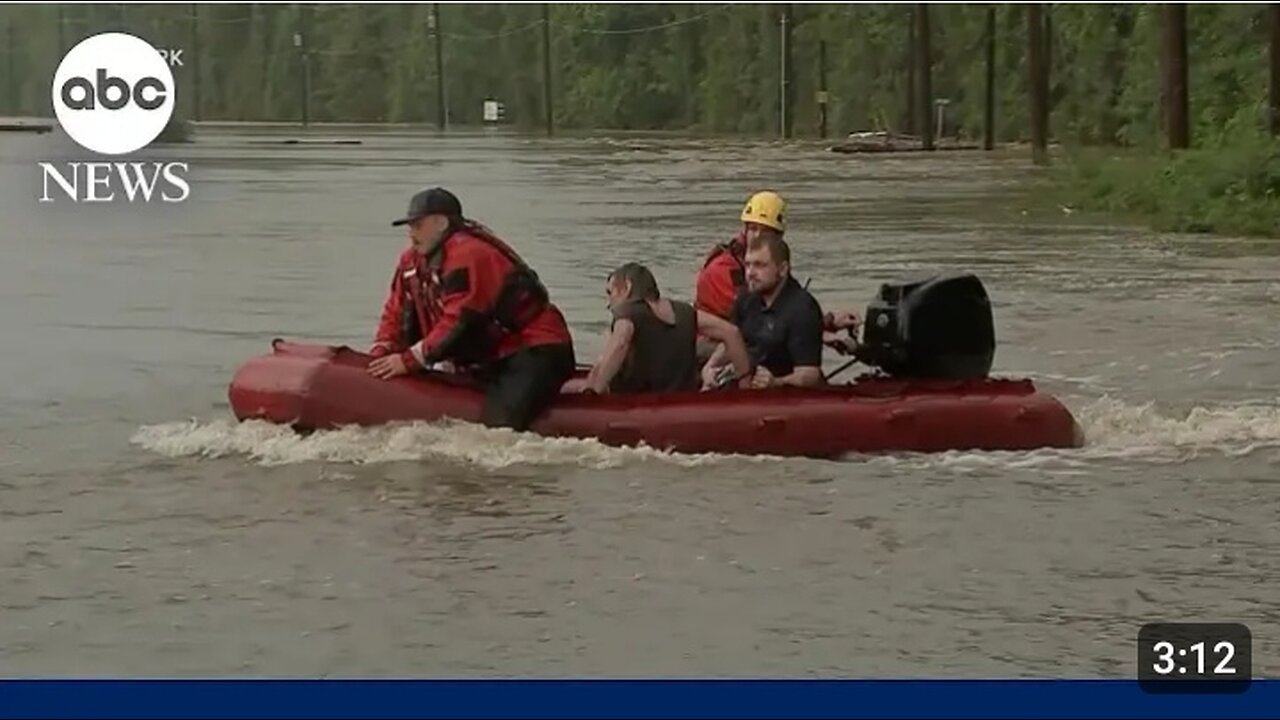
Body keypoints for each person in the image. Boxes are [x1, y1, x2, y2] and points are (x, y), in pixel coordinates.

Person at [366, 187, 576, 431]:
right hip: (491, 356)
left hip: (534, 350)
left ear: (441, 222)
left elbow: (460, 320)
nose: (411, 234)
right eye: (410, 226)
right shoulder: (410, 262)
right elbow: (395, 310)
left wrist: (410, 360)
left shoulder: (468, 254)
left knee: (497, 430)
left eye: (417, 225)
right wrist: (382, 350)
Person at [694, 190, 861, 360]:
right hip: (711, 345)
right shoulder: (723, 269)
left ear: (779, 236)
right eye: (753, 228)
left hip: (744, 336)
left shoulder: (773, 262)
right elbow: (757, 321)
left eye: (765, 231)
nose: (757, 236)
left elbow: (788, 305)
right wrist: (822, 332)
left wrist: (828, 322)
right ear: (744, 229)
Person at [580, 262, 752, 394]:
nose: (609, 304)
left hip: (637, 404)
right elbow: (732, 332)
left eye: (610, 293)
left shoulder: (627, 313)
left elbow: (620, 343)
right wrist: (745, 383)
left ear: (627, 287)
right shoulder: (685, 311)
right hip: (682, 401)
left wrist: (593, 393)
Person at [701, 233, 826, 390]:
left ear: (782, 269)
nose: (750, 273)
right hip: (747, 382)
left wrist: (777, 382)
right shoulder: (746, 297)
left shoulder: (803, 309)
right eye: (747, 265)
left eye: (760, 265)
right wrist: (710, 367)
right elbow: (731, 341)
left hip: (784, 396)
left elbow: (810, 373)